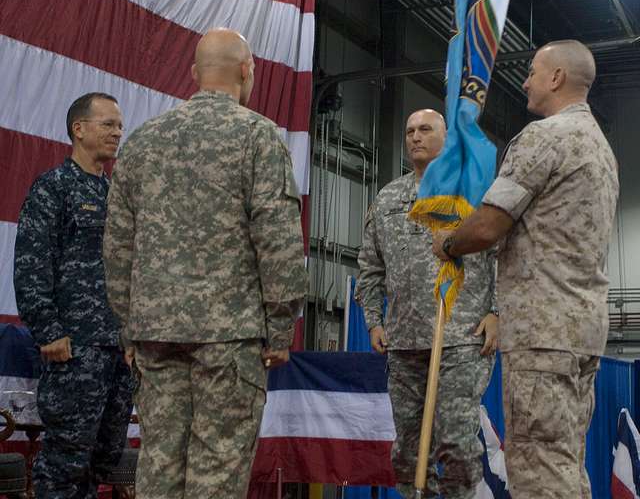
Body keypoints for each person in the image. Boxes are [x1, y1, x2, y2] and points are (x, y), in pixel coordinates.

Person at [102, 28, 307, 499]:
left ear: (194, 74)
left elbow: (116, 248)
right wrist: (280, 329)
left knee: (157, 467)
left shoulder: (141, 142)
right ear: (246, 70)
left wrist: (128, 327)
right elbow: (277, 243)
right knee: (217, 472)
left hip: (155, 335)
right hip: (229, 340)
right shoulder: (257, 136)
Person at [432, 40, 619, 498]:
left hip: (542, 330)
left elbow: (490, 225)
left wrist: (449, 243)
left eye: (533, 72)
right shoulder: (601, 148)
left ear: (556, 78)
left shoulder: (545, 137)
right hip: (582, 328)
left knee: (537, 468)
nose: (525, 81)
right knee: (564, 462)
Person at [357, 108, 498, 499]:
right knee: (406, 451)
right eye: (409, 131)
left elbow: (505, 256)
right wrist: (374, 321)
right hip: (404, 341)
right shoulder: (388, 198)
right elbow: (370, 266)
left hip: (462, 336)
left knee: (455, 444)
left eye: (425, 129)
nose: (415, 137)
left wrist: (497, 312)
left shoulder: (474, 193)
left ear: (446, 137)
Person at [13, 92, 134, 498]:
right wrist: (48, 332)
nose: (117, 132)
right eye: (108, 124)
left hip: (116, 350)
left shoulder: (115, 194)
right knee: (64, 463)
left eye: (119, 125)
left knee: (103, 458)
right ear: (78, 129)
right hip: (74, 349)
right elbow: (31, 265)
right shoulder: (54, 188)